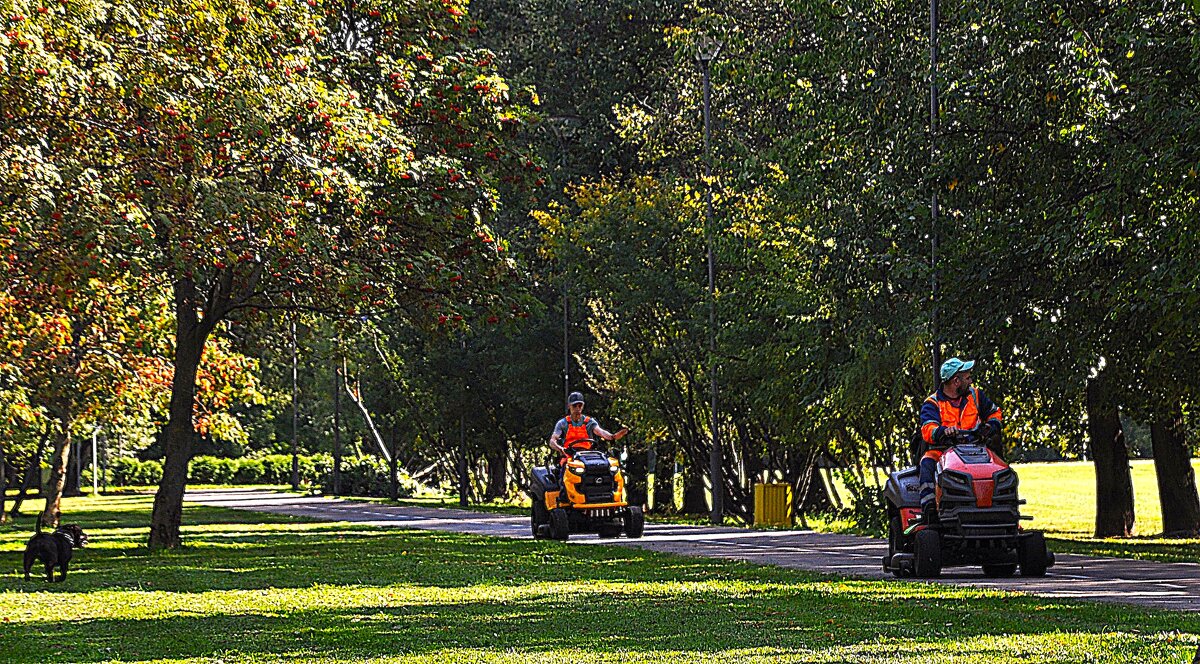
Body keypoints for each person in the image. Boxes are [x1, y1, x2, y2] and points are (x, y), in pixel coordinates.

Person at [917, 357, 1003, 520]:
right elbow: (928, 429)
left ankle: (1000, 505)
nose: (970, 381)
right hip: (942, 452)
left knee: (1000, 466)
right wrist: (943, 431)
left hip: (976, 449)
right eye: (968, 377)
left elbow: (995, 413)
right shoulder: (932, 403)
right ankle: (929, 510)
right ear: (956, 381)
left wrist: (990, 426)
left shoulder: (976, 395)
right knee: (927, 463)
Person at [549, 392, 628, 468]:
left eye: (580, 405)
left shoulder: (589, 422)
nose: (577, 408)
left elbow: (601, 432)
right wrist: (560, 449)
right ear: (569, 406)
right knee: (565, 470)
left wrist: (612, 437)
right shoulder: (563, 423)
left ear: (583, 406)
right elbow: (552, 441)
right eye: (574, 405)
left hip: (587, 456)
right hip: (569, 456)